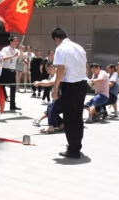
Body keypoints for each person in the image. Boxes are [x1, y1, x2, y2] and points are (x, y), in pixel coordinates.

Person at [51, 27, 88, 159]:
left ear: (57, 38)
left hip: (71, 85)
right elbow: (85, 66)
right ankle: (76, 145)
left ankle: (73, 149)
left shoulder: (61, 48)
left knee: (69, 118)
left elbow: (60, 70)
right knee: (78, 116)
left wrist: (55, 89)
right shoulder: (79, 47)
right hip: (82, 83)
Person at [32, 63, 64, 133]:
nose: (47, 72)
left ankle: (51, 126)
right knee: (52, 108)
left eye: (48, 69)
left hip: (67, 100)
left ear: (52, 67)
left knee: (51, 106)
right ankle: (61, 124)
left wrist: (39, 83)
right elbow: (49, 81)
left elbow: (51, 82)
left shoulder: (59, 72)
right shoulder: (55, 74)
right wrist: (40, 82)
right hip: (67, 99)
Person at [0, 37, 21, 111]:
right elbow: (3, 58)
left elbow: (20, 57)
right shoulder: (5, 49)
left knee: (13, 88)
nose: (16, 42)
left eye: (17, 41)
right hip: (5, 71)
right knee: (1, 87)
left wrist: (21, 50)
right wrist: (13, 56)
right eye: (15, 41)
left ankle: (12, 105)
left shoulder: (16, 50)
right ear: (11, 42)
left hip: (12, 71)